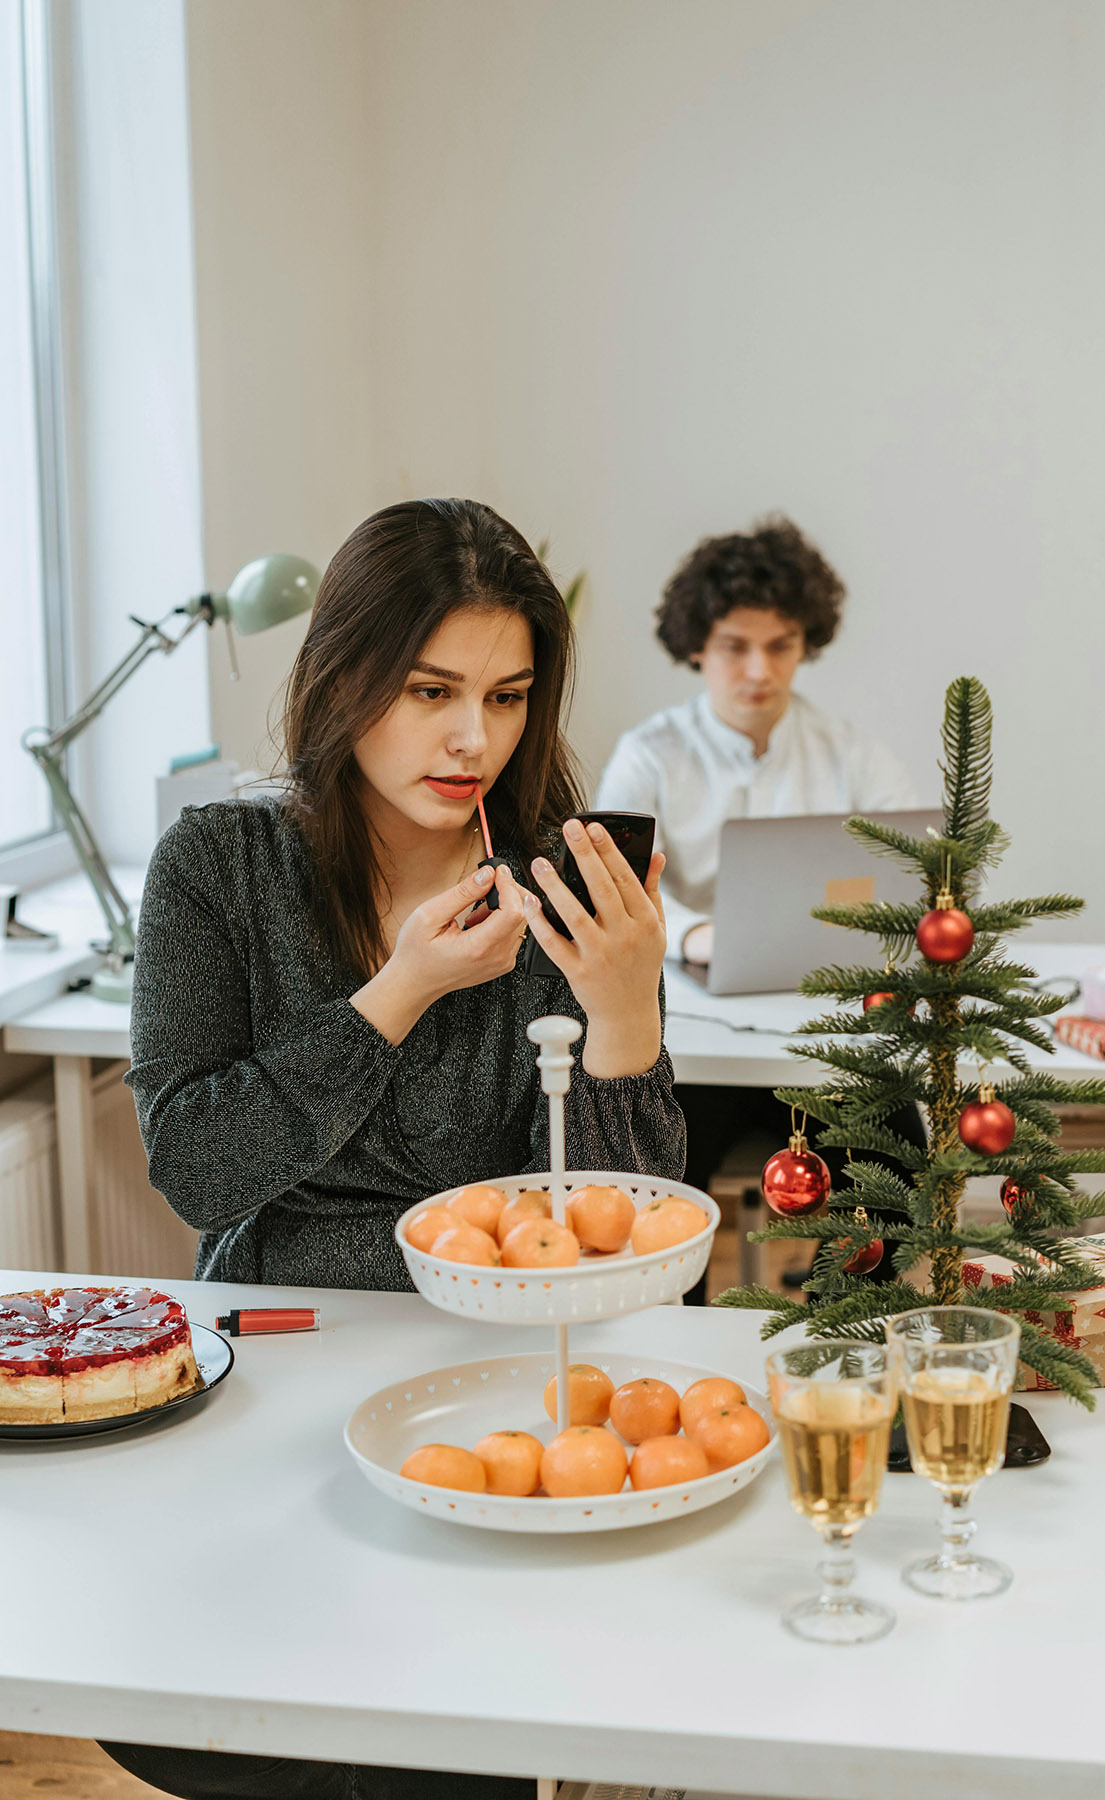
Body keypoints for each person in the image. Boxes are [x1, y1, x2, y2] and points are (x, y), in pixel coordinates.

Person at [104, 499, 683, 1800]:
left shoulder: (562, 879)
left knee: (446, 1734)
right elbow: (197, 1168)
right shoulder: (217, 864)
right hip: (274, 1354)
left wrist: (629, 1017)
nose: (473, 737)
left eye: (507, 694)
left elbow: (634, 1235)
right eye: (430, 689)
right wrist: (396, 994)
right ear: (344, 677)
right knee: (235, 1709)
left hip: (488, 1370)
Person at [595, 515, 923, 1294]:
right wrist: (697, 933)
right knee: (652, 1192)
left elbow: (919, 866)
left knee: (897, 1171)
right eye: (736, 646)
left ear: (805, 643)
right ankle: (678, 1350)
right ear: (697, 647)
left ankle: (833, 1332)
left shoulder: (849, 750)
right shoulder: (651, 753)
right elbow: (609, 879)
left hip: (828, 1040)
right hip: (690, 1040)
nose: (758, 669)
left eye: (779, 645)